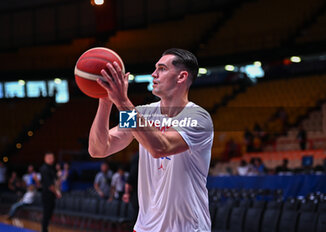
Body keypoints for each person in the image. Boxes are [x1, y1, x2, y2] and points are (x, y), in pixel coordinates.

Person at [89, 48, 213, 231]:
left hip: (186, 228)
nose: (154, 74)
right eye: (155, 68)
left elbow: (160, 147)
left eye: (162, 69)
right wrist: (105, 101)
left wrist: (122, 102)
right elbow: (99, 149)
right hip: (145, 227)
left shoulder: (198, 117)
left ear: (181, 77)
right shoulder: (144, 112)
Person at [40, 152, 61, 232]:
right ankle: (44, 230)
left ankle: (46, 229)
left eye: (53, 157)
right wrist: (57, 193)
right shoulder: (44, 169)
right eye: (50, 158)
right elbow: (50, 185)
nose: (52, 159)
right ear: (46, 158)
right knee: (46, 213)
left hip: (52, 195)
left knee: (49, 213)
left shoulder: (52, 168)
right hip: (47, 194)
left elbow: (56, 181)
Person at [123, 153, 139, 225]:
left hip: (138, 193)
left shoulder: (137, 157)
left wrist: (127, 193)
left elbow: (130, 180)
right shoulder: (138, 157)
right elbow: (130, 179)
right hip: (138, 193)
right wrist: (127, 193)